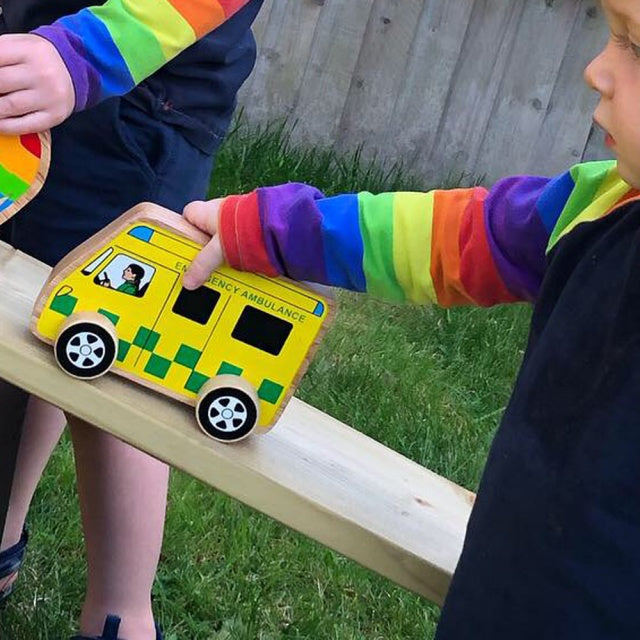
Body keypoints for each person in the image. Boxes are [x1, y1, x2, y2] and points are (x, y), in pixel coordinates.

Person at [180, 1, 640, 636]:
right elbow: (448, 236)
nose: (596, 69)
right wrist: (272, 230)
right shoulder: (599, 205)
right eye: (611, 37)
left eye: (635, 47)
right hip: (503, 595)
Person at [0, 1, 263, 639]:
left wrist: (81, 56)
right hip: (40, 64)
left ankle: (119, 618)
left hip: (141, 105)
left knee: (118, 366)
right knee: (32, 316)